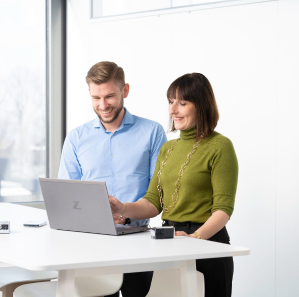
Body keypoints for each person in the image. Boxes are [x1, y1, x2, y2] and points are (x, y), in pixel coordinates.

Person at [109, 73, 239, 297]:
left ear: (202, 105)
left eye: (182, 103)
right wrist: (122, 208)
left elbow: (223, 210)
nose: (172, 110)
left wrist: (196, 239)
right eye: (171, 102)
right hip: (170, 240)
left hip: (208, 242)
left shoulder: (220, 146)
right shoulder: (167, 149)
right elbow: (153, 202)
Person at [58, 61, 167, 297]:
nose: (103, 105)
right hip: (92, 244)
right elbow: (67, 198)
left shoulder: (152, 132)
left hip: (138, 242)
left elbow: (159, 195)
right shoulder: (76, 138)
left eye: (109, 96)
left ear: (125, 91)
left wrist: (125, 213)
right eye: (96, 98)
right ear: (89, 93)